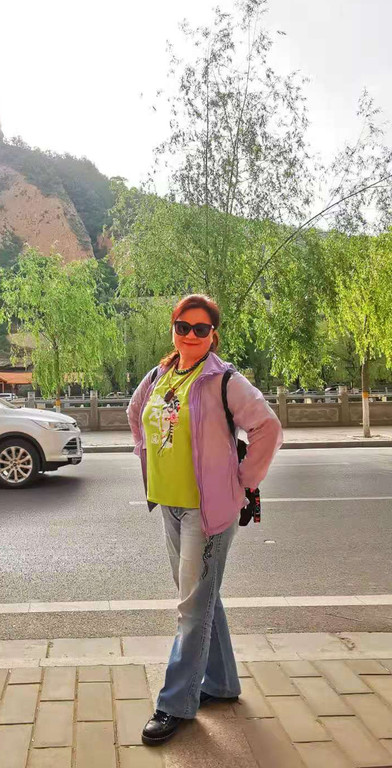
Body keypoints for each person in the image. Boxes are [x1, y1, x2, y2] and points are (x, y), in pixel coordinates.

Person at [126, 294, 283, 746]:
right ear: (173, 329)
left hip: (207, 509)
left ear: (213, 335)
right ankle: (222, 683)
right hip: (169, 503)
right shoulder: (158, 375)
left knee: (192, 607)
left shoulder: (224, 378)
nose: (191, 335)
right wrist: (147, 453)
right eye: (183, 326)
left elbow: (268, 427)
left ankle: (176, 702)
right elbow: (136, 413)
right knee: (200, 595)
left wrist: (242, 480)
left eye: (200, 328)